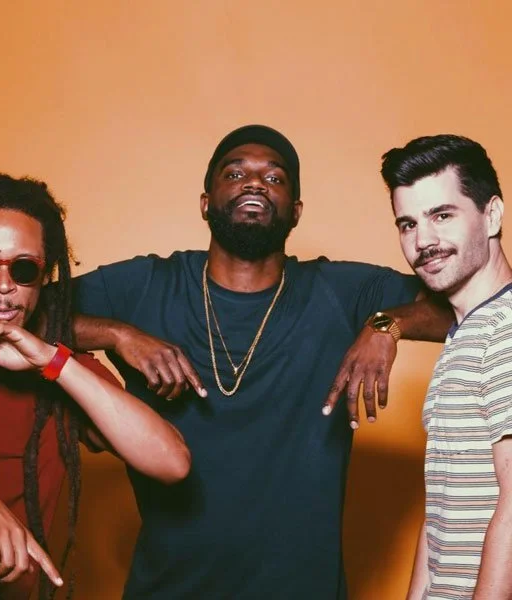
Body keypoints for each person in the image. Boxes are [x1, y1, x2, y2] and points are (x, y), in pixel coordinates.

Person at [71, 125, 452, 599]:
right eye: (235, 173)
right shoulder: (147, 284)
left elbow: (475, 306)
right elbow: (20, 314)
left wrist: (385, 325)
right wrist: (116, 336)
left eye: (274, 178)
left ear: (296, 212)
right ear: (206, 202)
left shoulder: (340, 291)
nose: (254, 182)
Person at [0, 173, 190, 600]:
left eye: (24, 269)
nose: (4, 286)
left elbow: (171, 463)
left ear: (45, 277)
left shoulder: (59, 366)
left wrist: (52, 361)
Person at [382, 134, 512, 600]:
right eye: (408, 224)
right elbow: (443, 509)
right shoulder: (465, 335)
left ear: (491, 215)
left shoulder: (506, 329)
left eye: (442, 215)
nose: (423, 241)